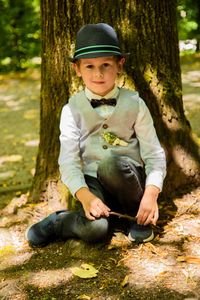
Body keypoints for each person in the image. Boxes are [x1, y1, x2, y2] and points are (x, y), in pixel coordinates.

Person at [26, 23, 166, 247]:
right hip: (91, 182)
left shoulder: (135, 103)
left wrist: (151, 195)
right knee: (94, 231)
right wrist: (85, 197)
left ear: (120, 65)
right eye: (89, 66)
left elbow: (153, 153)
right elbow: (69, 161)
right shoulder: (71, 110)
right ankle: (61, 221)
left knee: (111, 164)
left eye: (106, 65)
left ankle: (137, 218)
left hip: (127, 179)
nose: (98, 73)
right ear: (77, 69)